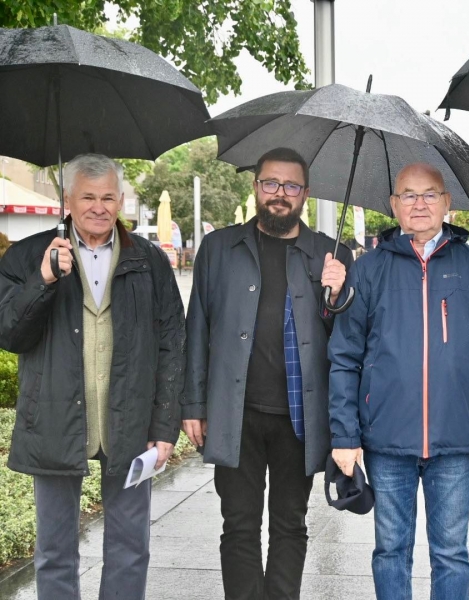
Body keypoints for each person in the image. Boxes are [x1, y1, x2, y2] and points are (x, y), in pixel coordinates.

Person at [0, 153, 185, 599]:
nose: (98, 207)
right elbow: (9, 334)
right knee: (54, 552)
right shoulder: (29, 255)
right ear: (68, 200)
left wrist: (164, 428)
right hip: (55, 421)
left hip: (131, 424)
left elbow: (172, 344)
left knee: (130, 548)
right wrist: (43, 280)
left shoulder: (150, 260)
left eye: (107, 197)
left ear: (120, 200)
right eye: (87, 197)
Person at [328, 162, 469, 600]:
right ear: (393, 204)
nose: (419, 204)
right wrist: (345, 435)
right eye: (408, 195)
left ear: (447, 202)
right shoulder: (368, 269)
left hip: (456, 440)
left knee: (451, 554)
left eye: (430, 194)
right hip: (387, 440)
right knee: (391, 551)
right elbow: (344, 356)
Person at [182, 147, 352, 600]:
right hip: (235, 412)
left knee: (290, 524)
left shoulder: (330, 254)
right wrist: (193, 404)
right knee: (238, 525)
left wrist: (338, 295)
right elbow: (197, 328)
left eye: (291, 185)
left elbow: (346, 343)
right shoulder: (219, 248)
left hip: (300, 417)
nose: (280, 193)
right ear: (256, 186)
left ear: (305, 194)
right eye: (271, 183)